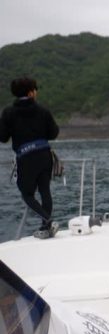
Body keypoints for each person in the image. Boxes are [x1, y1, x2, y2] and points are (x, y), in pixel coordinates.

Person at [0, 77, 60, 239]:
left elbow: (3, 137)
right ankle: (46, 228)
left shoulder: (8, 112)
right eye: (35, 89)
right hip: (44, 155)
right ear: (31, 92)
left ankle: (47, 221)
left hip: (26, 159)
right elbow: (53, 133)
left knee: (27, 194)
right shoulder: (43, 110)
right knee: (45, 191)